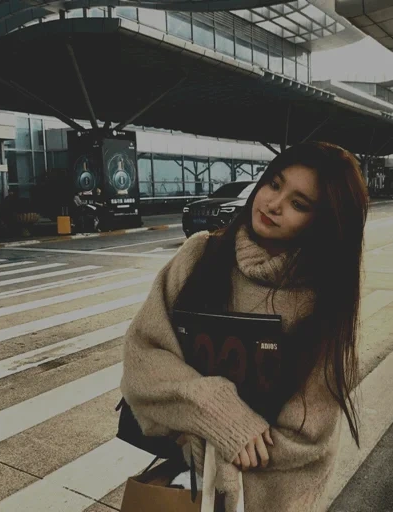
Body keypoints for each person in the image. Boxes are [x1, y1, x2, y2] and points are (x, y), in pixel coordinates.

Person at [120, 141, 369, 512]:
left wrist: (224, 462)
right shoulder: (199, 257)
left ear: (325, 220)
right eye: (274, 183)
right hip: (184, 482)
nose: (273, 204)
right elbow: (143, 354)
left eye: (299, 204)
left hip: (265, 498)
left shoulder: (323, 302)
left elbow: (308, 438)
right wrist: (219, 414)